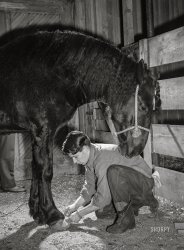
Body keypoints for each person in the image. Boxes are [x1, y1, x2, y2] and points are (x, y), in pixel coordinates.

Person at [61, 130, 159, 234]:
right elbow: (89, 187)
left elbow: (103, 198)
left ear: (84, 149)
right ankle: (136, 205)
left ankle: (136, 211)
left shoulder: (102, 158)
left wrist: (79, 214)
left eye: (75, 157)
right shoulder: (90, 157)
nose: (75, 162)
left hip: (143, 183)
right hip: (130, 184)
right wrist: (74, 206)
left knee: (114, 172)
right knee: (101, 212)